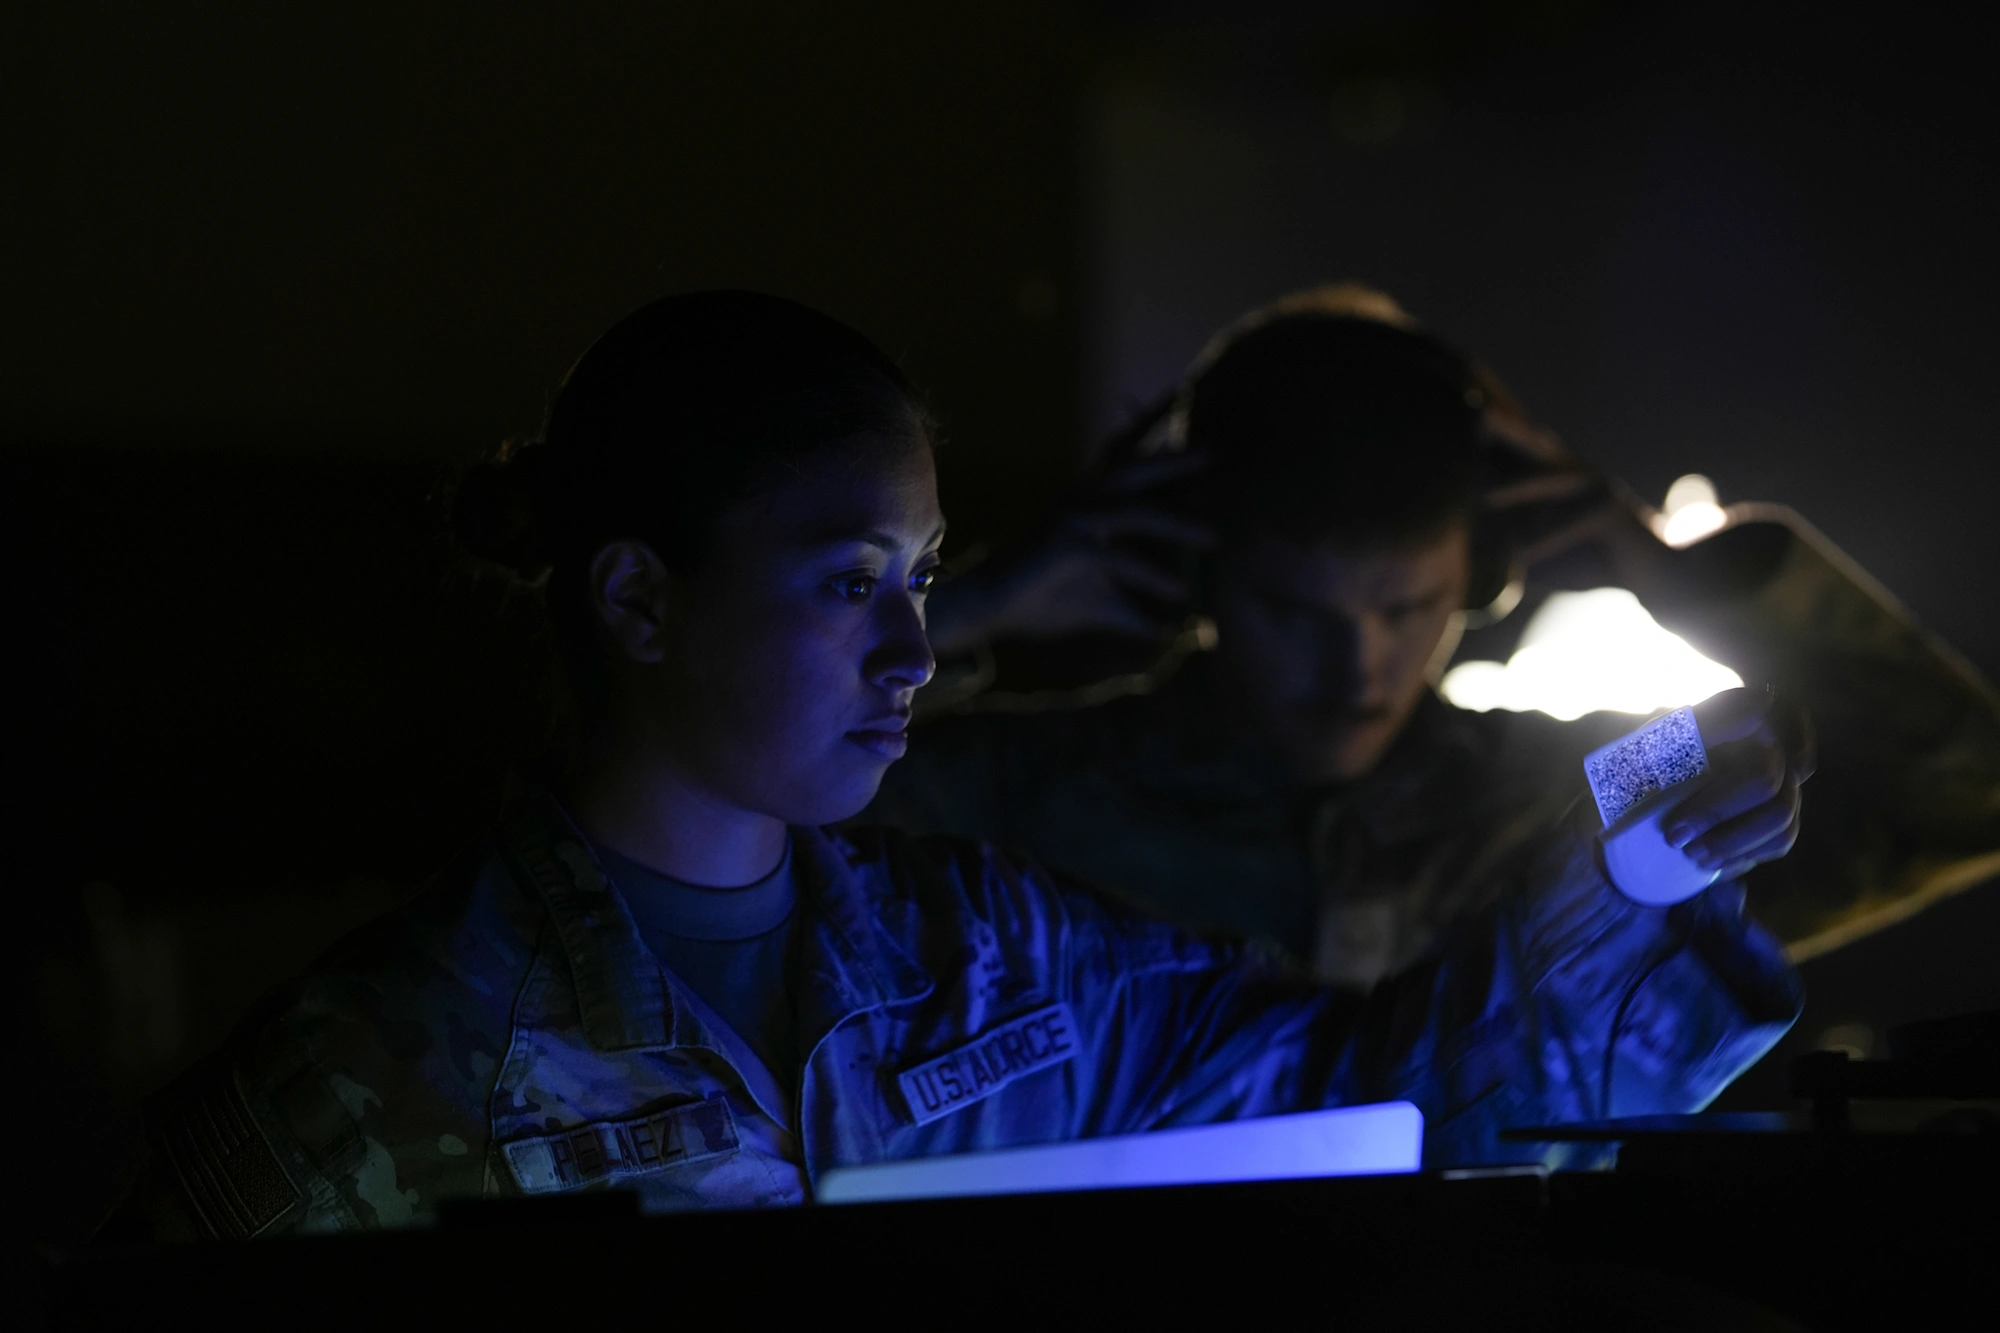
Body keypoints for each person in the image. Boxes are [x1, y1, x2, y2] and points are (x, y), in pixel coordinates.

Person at [126, 291, 1801, 1236]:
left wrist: (1638, 869)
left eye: (926, 579)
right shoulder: (384, 1063)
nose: (917, 652)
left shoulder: (1008, 961)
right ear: (641, 596)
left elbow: (1395, 1104)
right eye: (853, 582)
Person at [871, 286, 2000, 988]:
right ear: (1188, 572)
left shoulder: (1592, 791)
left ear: (1482, 576)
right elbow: (731, 797)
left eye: (1403, 607)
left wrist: (1678, 577)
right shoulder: (1015, 799)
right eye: (1293, 613)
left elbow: (1962, 795)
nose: (1355, 669)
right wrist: (964, 612)